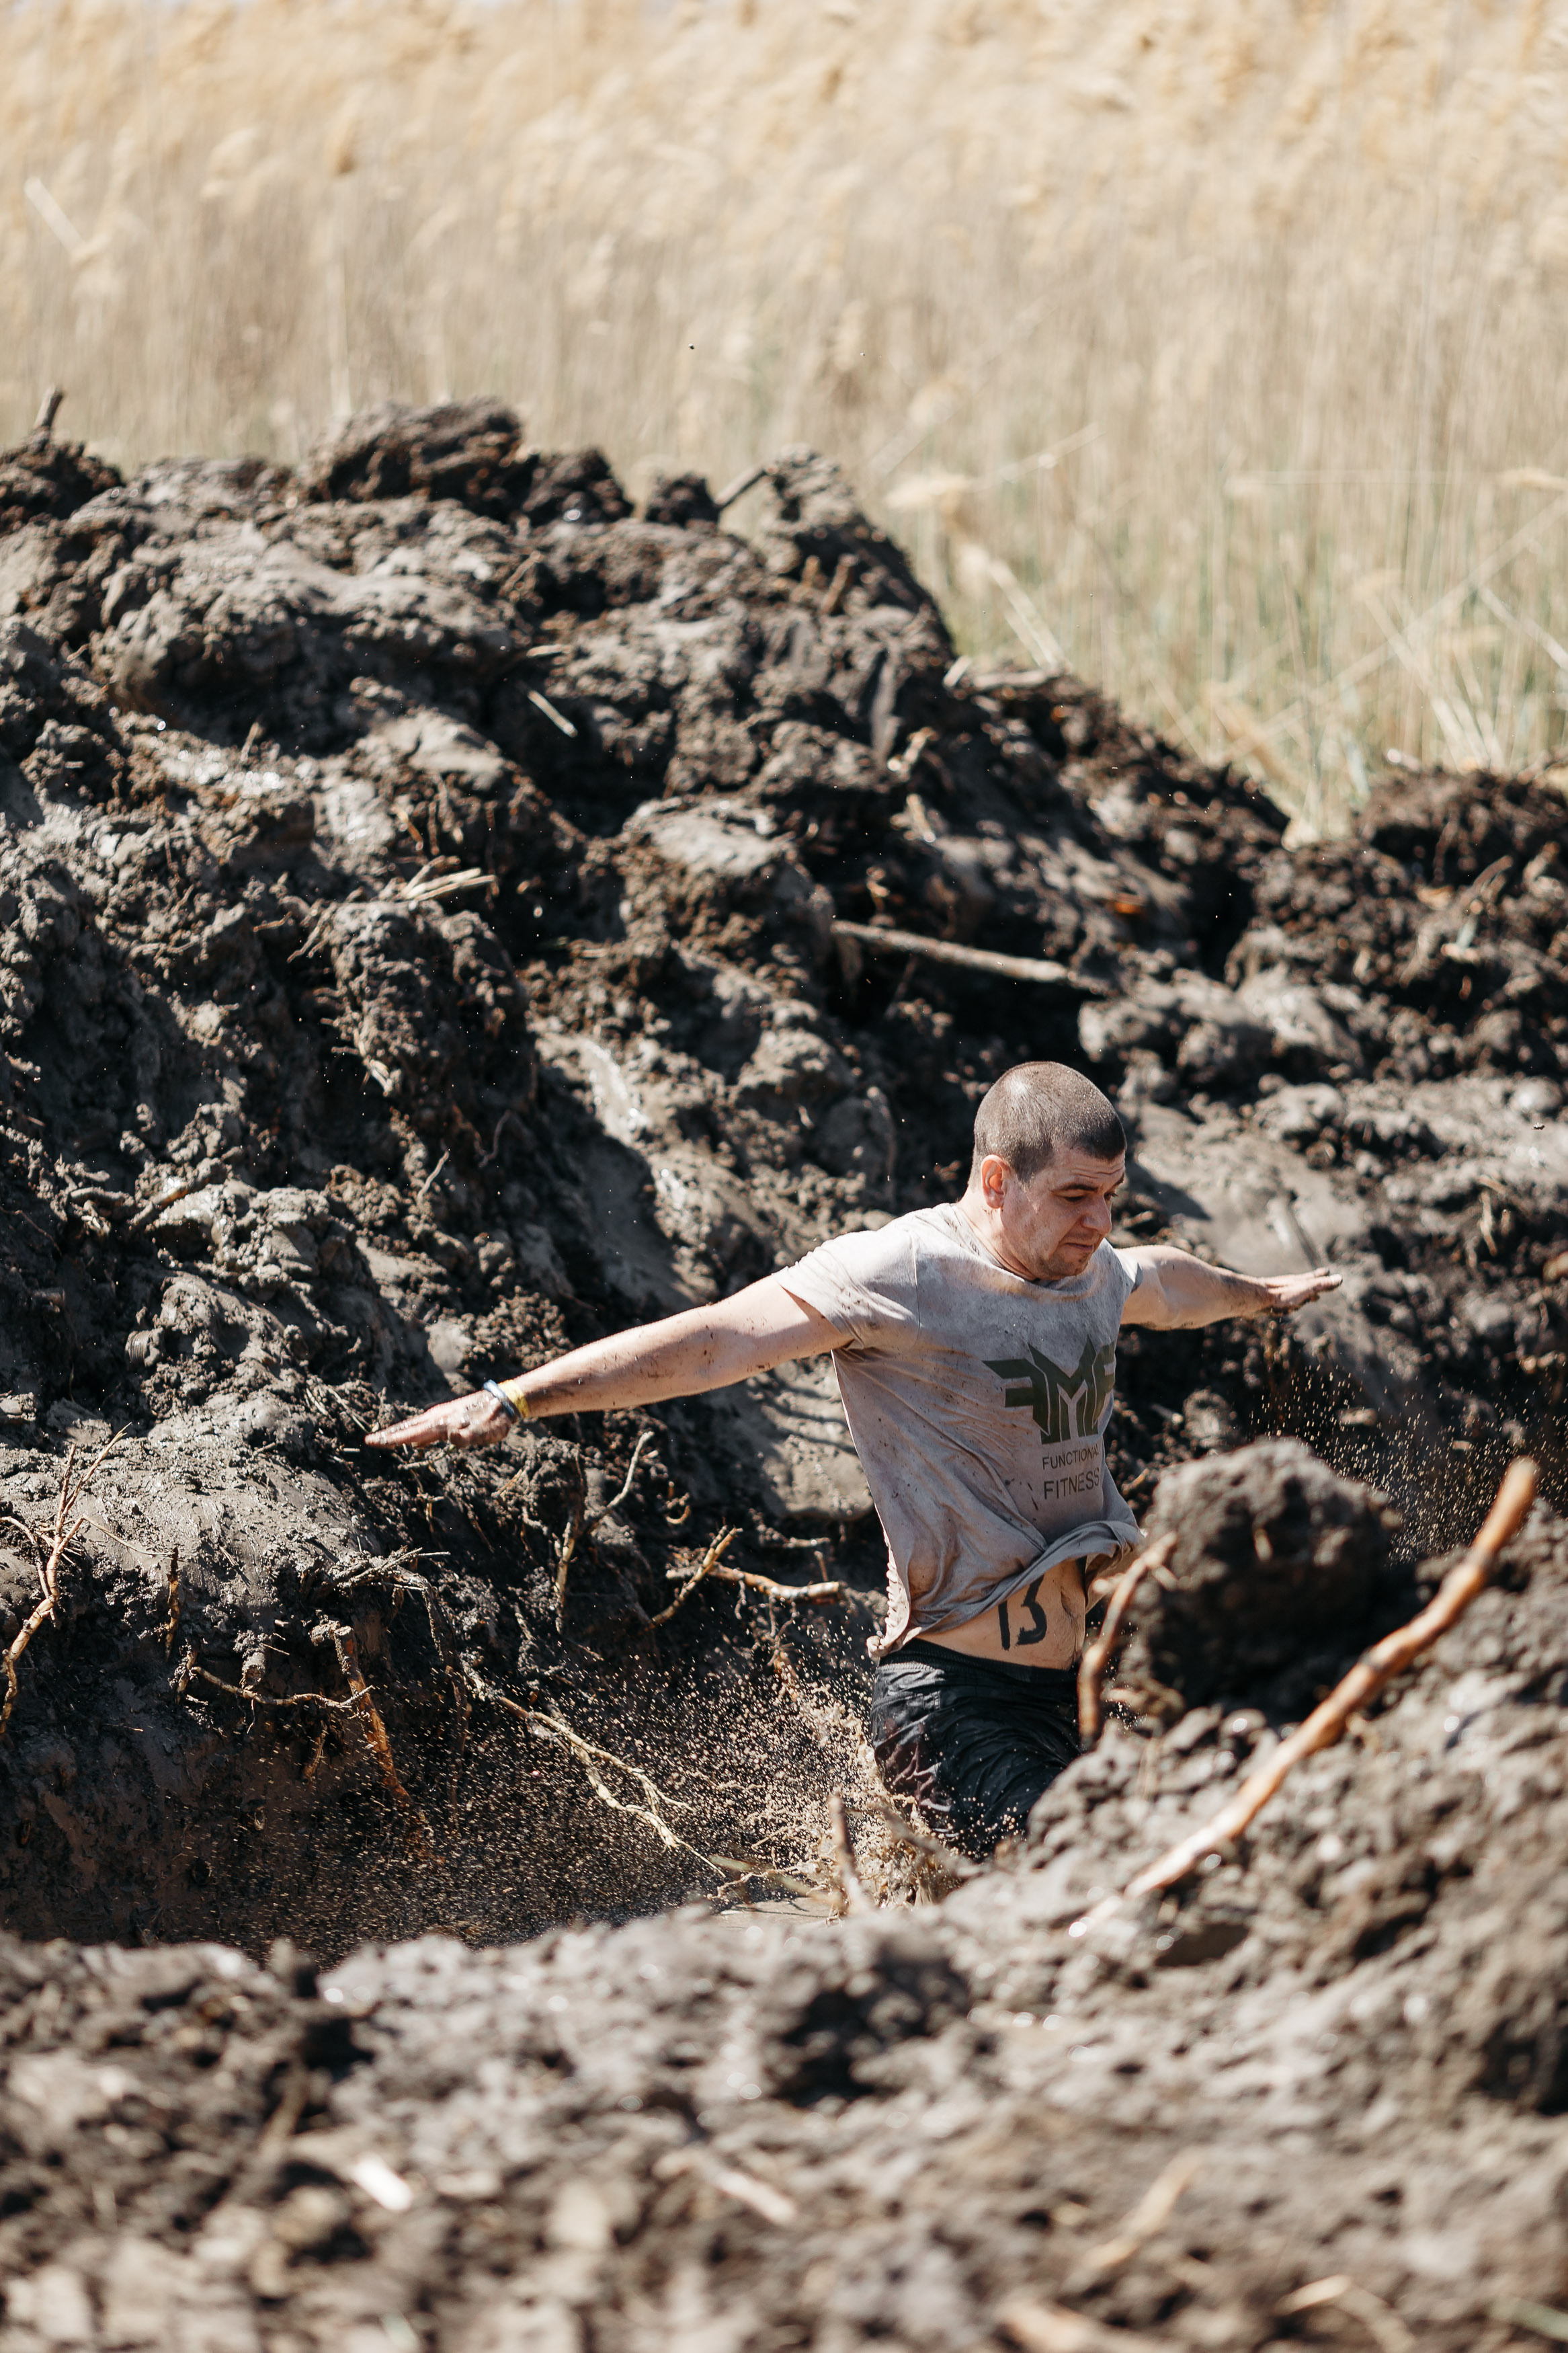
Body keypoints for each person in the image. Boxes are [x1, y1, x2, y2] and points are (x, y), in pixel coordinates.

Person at [368, 1062, 1340, 1855]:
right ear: (995, 1182)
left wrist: (1258, 1293)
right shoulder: (900, 1275)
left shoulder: (1088, 1269)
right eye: (1075, 1196)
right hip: (950, 1705)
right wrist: (516, 1396)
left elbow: (1161, 1283)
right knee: (1086, 1887)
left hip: (1066, 1693)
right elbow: (714, 1339)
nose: (1098, 1221)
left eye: (1112, 1197)